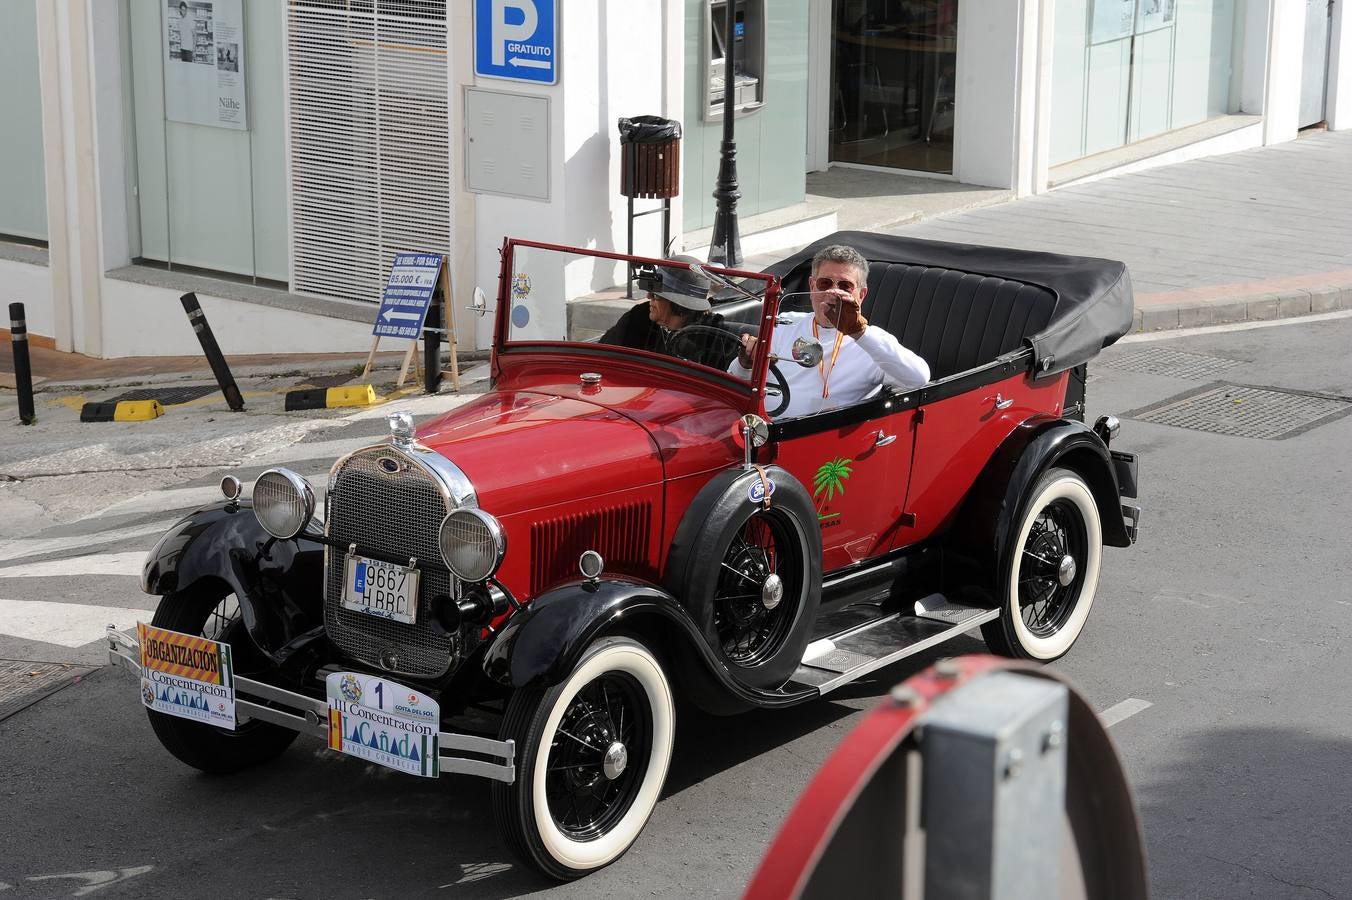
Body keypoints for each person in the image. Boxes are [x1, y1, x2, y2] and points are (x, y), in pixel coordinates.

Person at [731, 244, 929, 418]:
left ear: (861, 294)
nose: (832, 292)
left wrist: (858, 331)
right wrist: (745, 365)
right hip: (764, 429)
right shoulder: (785, 322)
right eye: (824, 283)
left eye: (845, 286)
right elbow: (736, 380)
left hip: (828, 443)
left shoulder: (872, 342)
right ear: (811, 287)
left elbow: (918, 379)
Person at [600, 256, 738, 369]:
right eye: (651, 292)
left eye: (656, 294)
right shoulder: (637, 319)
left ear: (679, 304)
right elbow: (602, 356)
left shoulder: (713, 336)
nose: (648, 297)